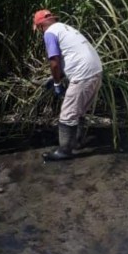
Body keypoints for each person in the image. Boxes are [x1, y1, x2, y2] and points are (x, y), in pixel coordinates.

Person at [33, 9, 103, 162]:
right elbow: (73, 56)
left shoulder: (49, 33)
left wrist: (57, 82)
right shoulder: (65, 28)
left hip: (83, 74)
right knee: (78, 111)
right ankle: (77, 141)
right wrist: (58, 77)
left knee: (67, 115)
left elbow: (54, 61)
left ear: (40, 26)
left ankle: (65, 150)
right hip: (96, 71)